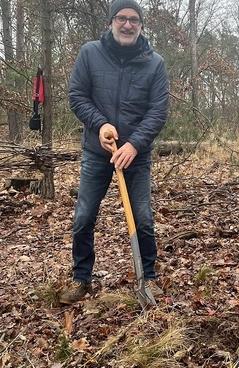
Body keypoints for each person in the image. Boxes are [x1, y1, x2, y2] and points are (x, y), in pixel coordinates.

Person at [60, 0, 169, 304]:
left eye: (134, 20)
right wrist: (101, 124)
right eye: (121, 18)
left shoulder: (154, 63)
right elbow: (77, 96)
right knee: (83, 217)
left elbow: (158, 112)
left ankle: (147, 277)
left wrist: (134, 144)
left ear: (141, 26)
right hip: (97, 152)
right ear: (111, 22)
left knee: (143, 218)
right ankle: (81, 278)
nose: (127, 24)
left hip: (137, 155)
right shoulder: (90, 53)